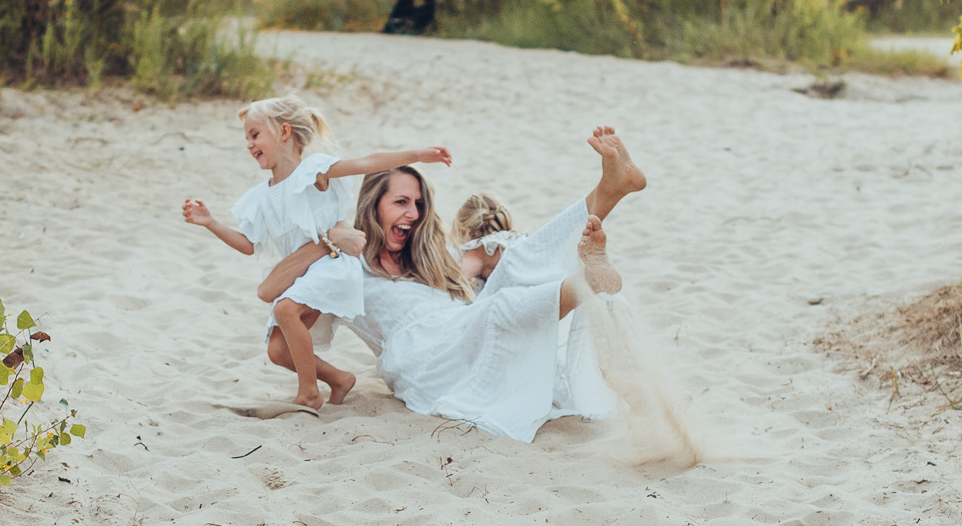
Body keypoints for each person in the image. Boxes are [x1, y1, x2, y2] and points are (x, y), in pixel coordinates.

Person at [257, 129, 648, 442]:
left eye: (418, 204)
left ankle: (610, 191)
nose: (413, 214)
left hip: (460, 325)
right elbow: (273, 306)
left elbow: (501, 255)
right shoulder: (344, 262)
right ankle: (584, 284)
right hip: (421, 355)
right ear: (373, 204)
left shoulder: (426, 253)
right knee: (499, 310)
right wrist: (325, 244)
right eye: (401, 203)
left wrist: (498, 254)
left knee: (515, 261)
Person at [182, 95, 452, 413]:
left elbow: (368, 162)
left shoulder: (314, 171)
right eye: (246, 138)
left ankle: (308, 394)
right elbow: (247, 244)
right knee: (279, 350)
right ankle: (339, 379)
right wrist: (210, 222)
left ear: (284, 132)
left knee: (285, 311)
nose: (249, 144)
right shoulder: (259, 197)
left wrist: (418, 154)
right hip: (301, 272)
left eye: (255, 135)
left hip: (331, 264)